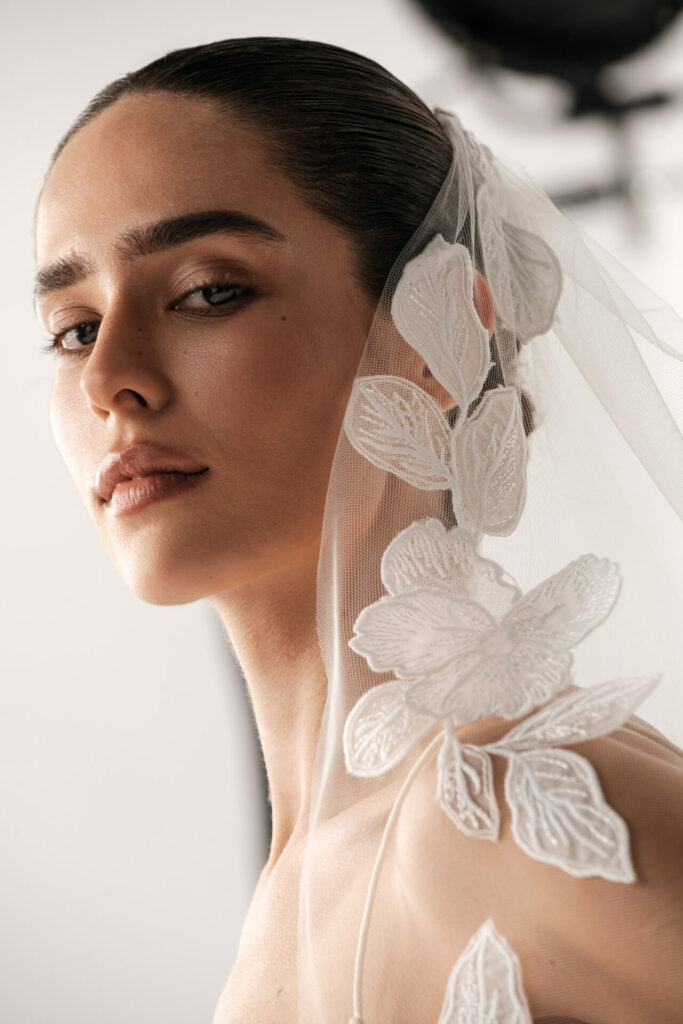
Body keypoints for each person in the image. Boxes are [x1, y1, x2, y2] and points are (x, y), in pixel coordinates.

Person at [33, 37, 683, 1024]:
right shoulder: (296, 878)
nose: (108, 378)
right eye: (74, 326)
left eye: (209, 290)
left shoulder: (521, 808)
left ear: (436, 335)